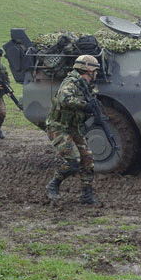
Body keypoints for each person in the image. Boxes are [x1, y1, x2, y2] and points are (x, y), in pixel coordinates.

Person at [45, 54, 102, 205]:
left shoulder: (87, 86)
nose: (97, 74)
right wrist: (85, 105)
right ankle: (53, 184)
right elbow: (65, 99)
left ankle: (86, 195)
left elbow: (91, 100)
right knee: (73, 161)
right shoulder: (71, 82)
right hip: (58, 127)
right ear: (89, 71)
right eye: (95, 71)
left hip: (72, 127)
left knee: (87, 159)